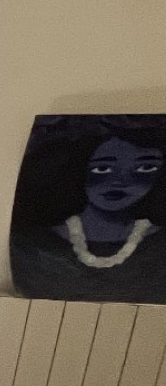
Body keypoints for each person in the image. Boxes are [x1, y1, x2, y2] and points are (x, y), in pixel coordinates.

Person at [11, 116, 166, 304]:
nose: (120, 182)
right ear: (78, 168)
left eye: (145, 168)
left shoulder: (160, 246)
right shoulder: (32, 246)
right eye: (103, 169)